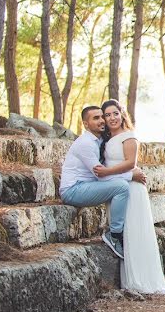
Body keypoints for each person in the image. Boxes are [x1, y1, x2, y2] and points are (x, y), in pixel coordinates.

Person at [93, 99, 165, 295]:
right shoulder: (107, 139)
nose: (111, 118)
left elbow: (129, 163)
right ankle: (129, 279)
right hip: (118, 188)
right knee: (124, 233)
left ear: (122, 114)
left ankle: (143, 280)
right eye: (107, 115)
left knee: (135, 231)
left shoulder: (129, 137)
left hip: (132, 189)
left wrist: (107, 172)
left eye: (115, 113)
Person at [60, 105, 146, 259]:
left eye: (101, 117)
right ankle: (114, 234)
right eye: (96, 118)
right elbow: (100, 174)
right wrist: (130, 175)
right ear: (86, 124)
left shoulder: (99, 140)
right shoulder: (85, 143)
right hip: (73, 190)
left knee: (120, 187)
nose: (102, 120)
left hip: (86, 186)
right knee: (121, 187)